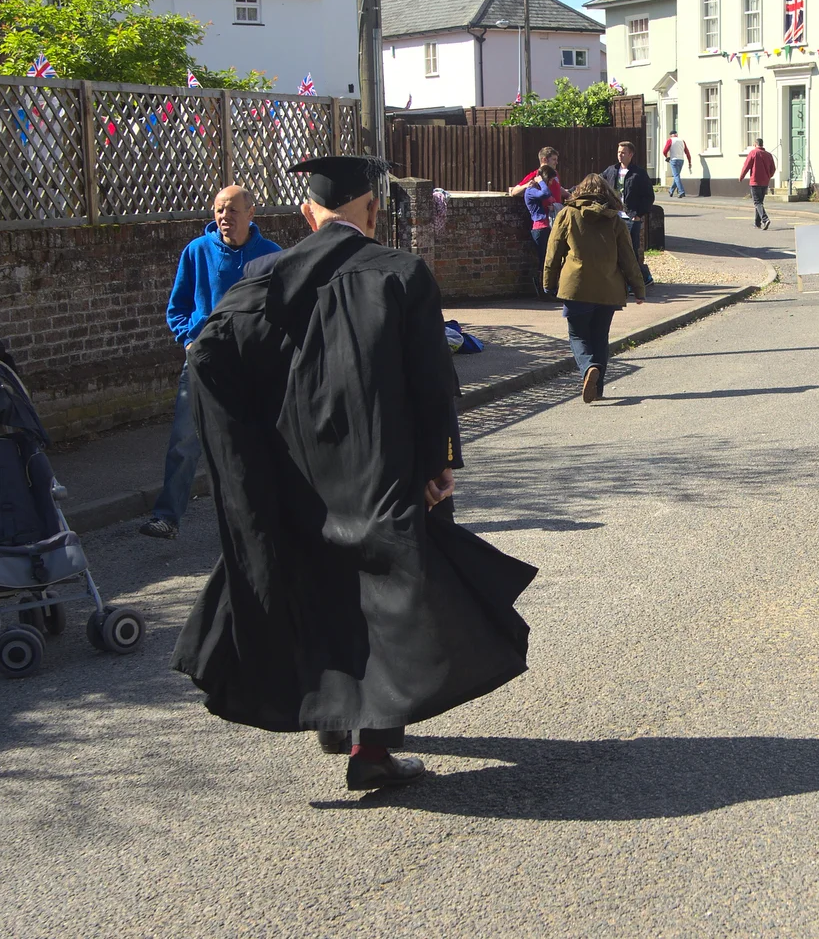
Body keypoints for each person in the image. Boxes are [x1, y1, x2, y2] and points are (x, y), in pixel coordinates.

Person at [171, 155, 535, 791]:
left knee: (317, 583)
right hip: (380, 468)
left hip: (295, 472)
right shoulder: (401, 273)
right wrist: (439, 464)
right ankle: (371, 749)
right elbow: (430, 383)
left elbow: (208, 354)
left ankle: (331, 719)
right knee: (384, 597)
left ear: (308, 214)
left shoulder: (260, 277)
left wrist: (246, 461)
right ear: (372, 210)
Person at [139, 185, 280, 540]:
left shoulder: (272, 256)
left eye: (232, 210)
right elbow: (178, 306)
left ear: (251, 214)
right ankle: (166, 516)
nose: (224, 217)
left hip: (251, 366)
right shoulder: (196, 252)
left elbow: (284, 311)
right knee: (185, 441)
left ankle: (261, 520)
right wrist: (188, 338)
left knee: (256, 442)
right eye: (219, 210)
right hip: (204, 361)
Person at [544, 173, 646, 402]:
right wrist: (639, 289)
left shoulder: (567, 214)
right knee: (600, 336)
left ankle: (589, 367)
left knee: (578, 335)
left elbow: (553, 253)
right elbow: (628, 258)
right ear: (606, 193)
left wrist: (548, 283)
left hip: (576, 286)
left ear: (579, 191)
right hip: (608, 288)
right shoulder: (615, 220)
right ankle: (597, 389)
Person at [600, 140, 656, 285]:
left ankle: (641, 279)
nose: (620, 155)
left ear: (631, 154)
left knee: (631, 250)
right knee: (615, 249)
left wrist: (638, 214)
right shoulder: (611, 170)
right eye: (619, 152)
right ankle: (623, 281)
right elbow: (597, 182)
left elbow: (649, 196)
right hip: (615, 216)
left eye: (623, 152)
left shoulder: (639, 173)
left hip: (631, 217)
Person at [521, 161, 564, 291]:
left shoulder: (539, 188)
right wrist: (541, 181)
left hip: (547, 227)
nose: (551, 184)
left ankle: (550, 288)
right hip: (540, 228)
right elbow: (545, 194)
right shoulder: (531, 190)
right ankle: (542, 290)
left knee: (550, 258)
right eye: (550, 180)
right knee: (544, 259)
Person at [739, 136, 777, 229]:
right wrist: (768, 176)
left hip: (755, 181)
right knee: (760, 202)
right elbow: (773, 169)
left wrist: (741, 176)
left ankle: (765, 219)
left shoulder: (753, 153)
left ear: (755, 144)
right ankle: (757, 223)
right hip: (765, 182)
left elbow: (746, 166)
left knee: (757, 202)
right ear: (762, 144)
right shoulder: (768, 155)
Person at [662, 130, 692, 197]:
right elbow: (687, 152)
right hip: (681, 160)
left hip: (674, 160)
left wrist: (667, 157)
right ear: (676, 134)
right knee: (677, 176)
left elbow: (664, 151)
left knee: (676, 176)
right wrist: (689, 162)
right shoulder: (682, 141)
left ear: (671, 135)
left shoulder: (670, 140)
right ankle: (671, 190)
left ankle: (681, 191)